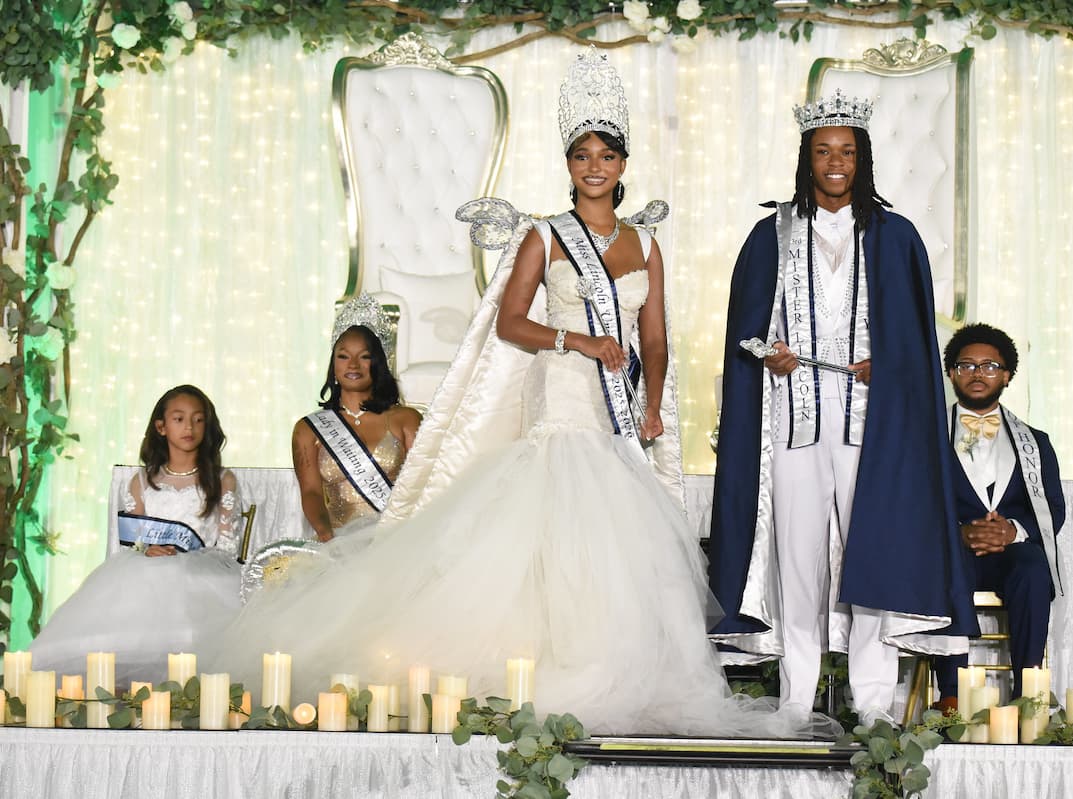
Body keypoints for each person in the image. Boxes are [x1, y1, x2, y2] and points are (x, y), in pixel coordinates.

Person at [206, 50, 827, 737]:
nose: (594, 165)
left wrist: (651, 400)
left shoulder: (645, 245)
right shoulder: (543, 235)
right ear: (569, 164)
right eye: (581, 154)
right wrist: (578, 342)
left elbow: (654, 336)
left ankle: (612, 677)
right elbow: (510, 320)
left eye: (606, 154)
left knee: (621, 561)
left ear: (622, 165)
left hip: (614, 422)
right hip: (560, 407)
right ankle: (539, 677)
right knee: (547, 547)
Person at [707, 89, 978, 722]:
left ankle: (874, 703)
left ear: (863, 159)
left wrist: (891, 364)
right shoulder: (769, 233)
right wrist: (767, 352)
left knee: (873, 557)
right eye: (824, 151)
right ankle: (797, 701)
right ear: (807, 158)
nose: (836, 163)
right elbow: (743, 329)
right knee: (798, 566)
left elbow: (916, 343)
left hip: (871, 428)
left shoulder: (896, 236)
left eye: (847, 152)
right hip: (795, 419)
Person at [29, 385, 243, 684]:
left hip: (202, 577)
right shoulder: (141, 481)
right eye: (179, 419)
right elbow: (133, 541)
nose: (189, 427)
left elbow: (228, 548)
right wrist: (149, 550)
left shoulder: (222, 480)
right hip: (147, 577)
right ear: (161, 427)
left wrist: (188, 559)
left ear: (207, 426)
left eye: (198, 419)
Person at [931, 323, 1066, 707]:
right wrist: (958, 533)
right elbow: (913, 502)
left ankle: (1029, 692)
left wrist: (1012, 532)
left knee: (1033, 568)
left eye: (990, 366)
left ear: (1007, 375)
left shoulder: (1035, 441)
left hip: (1011, 551)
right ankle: (951, 693)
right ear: (951, 372)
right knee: (949, 564)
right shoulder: (926, 435)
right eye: (967, 365)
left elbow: (1053, 507)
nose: (978, 373)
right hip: (954, 547)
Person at [291, 297, 421, 541]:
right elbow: (311, 493)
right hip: (338, 544)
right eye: (343, 356)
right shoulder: (308, 429)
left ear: (378, 363)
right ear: (333, 364)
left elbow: (423, 485)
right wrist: (327, 535)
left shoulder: (406, 419)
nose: (353, 364)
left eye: (364, 356)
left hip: (397, 542)